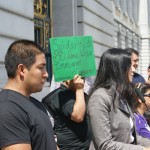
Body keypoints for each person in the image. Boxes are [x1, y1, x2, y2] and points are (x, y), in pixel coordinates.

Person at [88, 48, 150, 150]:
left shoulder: (122, 95)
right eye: (129, 66)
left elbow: (131, 137)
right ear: (117, 69)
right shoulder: (99, 98)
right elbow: (105, 145)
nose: (133, 70)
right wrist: (143, 149)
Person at [0, 40, 57, 150]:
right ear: (22, 69)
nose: (46, 74)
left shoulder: (35, 104)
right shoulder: (8, 109)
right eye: (41, 67)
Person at [42, 75, 92, 150]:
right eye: (79, 77)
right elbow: (78, 116)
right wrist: (79, 89)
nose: (82, 81)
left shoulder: (81, 95)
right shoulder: (58, 96)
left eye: (83, 78)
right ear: (67, 79)